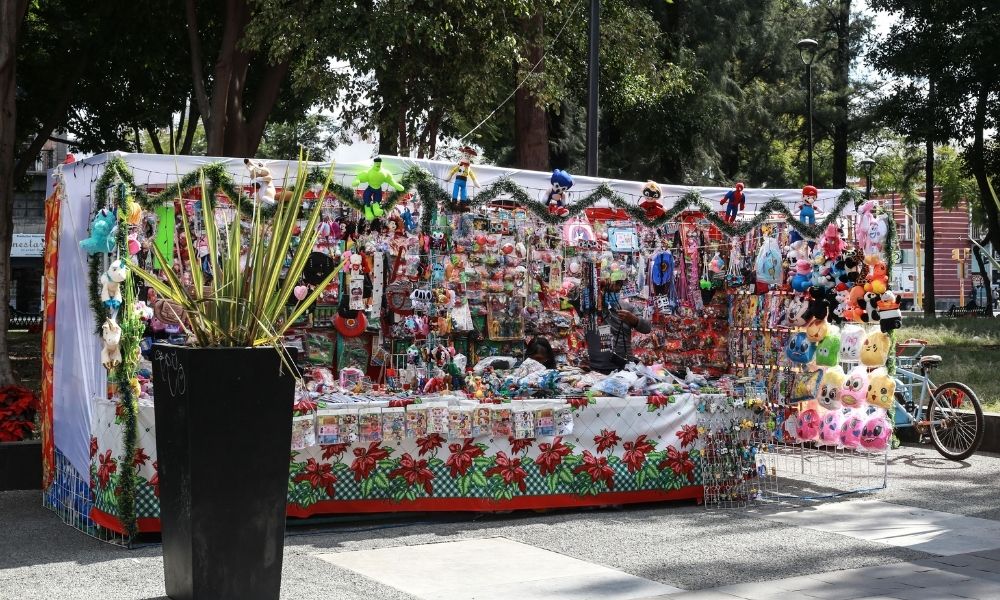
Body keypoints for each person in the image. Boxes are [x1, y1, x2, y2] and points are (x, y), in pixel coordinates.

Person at [589, 277, 652, 373]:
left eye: (618, 284)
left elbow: (647, 328)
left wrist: (634, 320)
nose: (614, 287)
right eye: (611, 284)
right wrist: (598, 284)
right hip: (598, 364)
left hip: (622, 364)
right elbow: (572, 294)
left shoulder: (627, 307)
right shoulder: (592, 305)